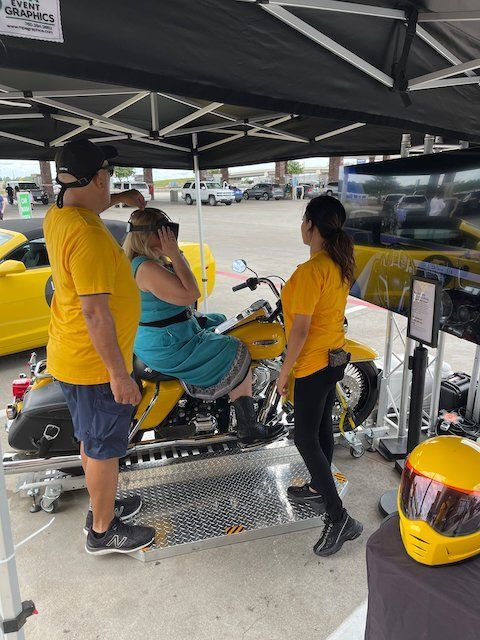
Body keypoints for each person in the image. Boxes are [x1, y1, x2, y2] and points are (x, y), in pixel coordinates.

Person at [44, 138, 156, 555]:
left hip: (70, 354)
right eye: (109, 175)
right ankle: (103, 530)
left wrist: (120, 198)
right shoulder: (88, 236)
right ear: (95, 178)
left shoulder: (62, 213)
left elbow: (86, 206)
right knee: (104, 449)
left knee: (92, 441)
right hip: (94, 366)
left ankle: (101, 503)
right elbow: (96, 313)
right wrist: (119, 374)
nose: (112, 181)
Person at [123, 207, 284, 447]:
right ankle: (248, 427)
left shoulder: (147, 262)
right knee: (235, 349)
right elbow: (191, 293)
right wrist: (175, 254)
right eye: (166, 232)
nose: (171, 236)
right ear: (150, 236)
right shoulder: (146, 268)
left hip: (169, 332)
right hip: (170, 344)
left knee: (220, 320)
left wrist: (173, 255)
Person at [277, 195, 363, 556]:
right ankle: (318, 485)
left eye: (303, 221)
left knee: (304, 438)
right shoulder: (338, 263)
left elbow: (298, 331)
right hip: (335, 359)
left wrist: (284, 372)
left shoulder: (311, 271)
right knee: (322, 430)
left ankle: (339, 517)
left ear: (311, 226)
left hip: (313, 364)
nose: (301, 227)